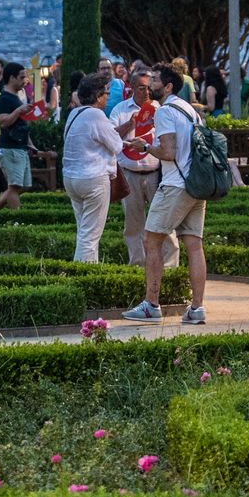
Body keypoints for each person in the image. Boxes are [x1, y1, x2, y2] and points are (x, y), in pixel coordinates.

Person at [121, 66, 208, 325]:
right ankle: (196, 308)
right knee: (194, 245)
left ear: (168, 86)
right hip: (196, 184)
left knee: (151, 240)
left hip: (174, 184)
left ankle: (151, 305)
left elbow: (168, 152)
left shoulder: (166, 112)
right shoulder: (191, 110)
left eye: (156, 81)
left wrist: (146, 146)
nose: (150, 85)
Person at [111, 68, 178, 267]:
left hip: (157, 173)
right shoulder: (121, 110)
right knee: (133, 224)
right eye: (141, 88)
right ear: (132, 88)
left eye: (149, 87)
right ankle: (138, 265)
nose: (147, 92)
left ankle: (170, 267)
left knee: (166, 221)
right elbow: (110, 136)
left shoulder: (160, 108)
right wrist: (130, 124)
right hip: (130, 174)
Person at [63, 73, 124, 263]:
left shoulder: (74, 113)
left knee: (84, 231)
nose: (108, 97)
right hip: (93, 179)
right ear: (98, 95)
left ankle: (87, 273)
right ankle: (84, 279)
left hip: (71, 179)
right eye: (106, 93)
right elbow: (117, 145)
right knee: (90, 236)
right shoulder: (96, 115)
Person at [0, 62, 38, 210]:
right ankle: (16, 219)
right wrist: (19, 111)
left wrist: (30, 145)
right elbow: (3, 122)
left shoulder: (14, 98)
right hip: (9, 148)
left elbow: (20, 124)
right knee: (14, 186)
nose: (24, 80)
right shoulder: (4, 99)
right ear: (12, 78)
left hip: (19, 147)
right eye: (21, 77)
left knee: (23, 186)